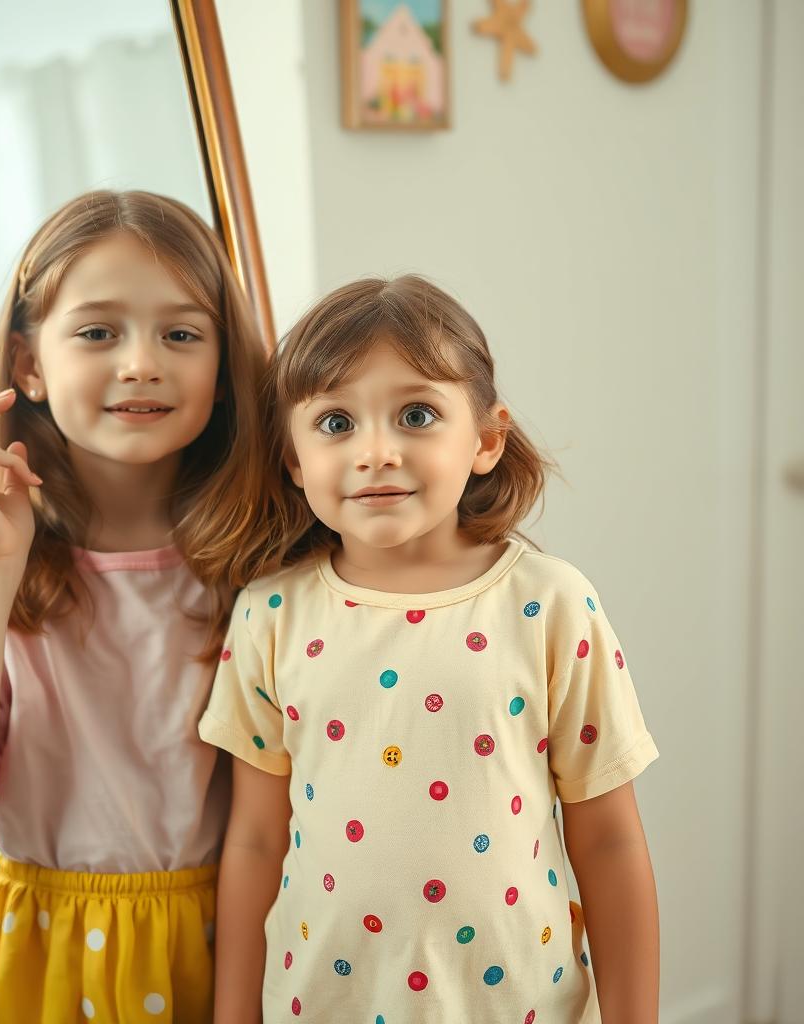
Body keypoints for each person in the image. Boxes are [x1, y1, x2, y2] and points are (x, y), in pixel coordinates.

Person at [201, 275, 660, 1022]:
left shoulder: (552, 605)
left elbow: (607, 843)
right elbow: (255, 840)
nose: (376, 451)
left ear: (485, 440)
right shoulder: (269, 615)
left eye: (415, 415)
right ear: (292, 456)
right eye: (335, 423)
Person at [0, 190, 269, 1022]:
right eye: (97, 331)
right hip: (36, 957)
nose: (141, 363)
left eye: (181, 334)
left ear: (223, 371)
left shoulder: (256, 565)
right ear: (28, 365)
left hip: (227, 944)